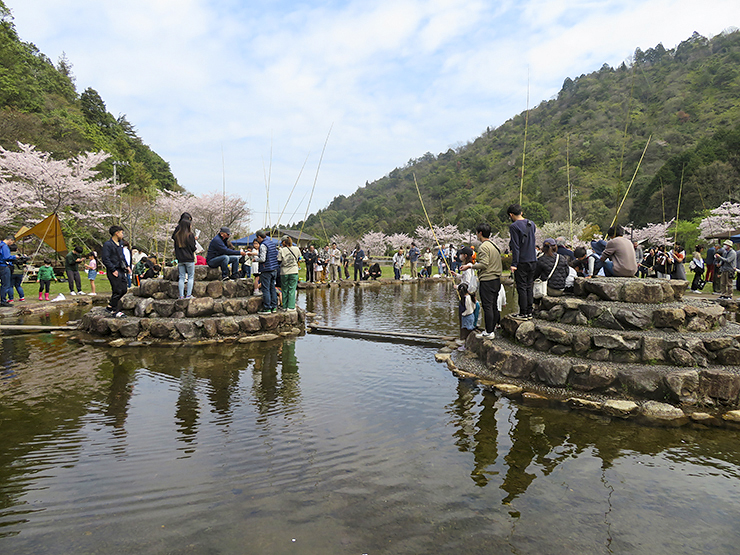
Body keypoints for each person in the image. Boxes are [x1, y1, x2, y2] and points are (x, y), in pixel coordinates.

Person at [460, 223, 502, 338]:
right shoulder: (494, 245)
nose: (476, 235)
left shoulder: (484, 247)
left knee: (487, 306)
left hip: (487, 280)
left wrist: (470, 266)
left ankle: (488, 332)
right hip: (496, 279)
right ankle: (492, 329)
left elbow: (484, 264)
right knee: (493, 305)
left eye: (477, 233)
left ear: (480, 233)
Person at [508, 203, 538, 319]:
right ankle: (530, 312)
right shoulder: (532, 224)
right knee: (529, 286)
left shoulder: (514, 227)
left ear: (511, 215)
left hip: (522, 261)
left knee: (521, 286)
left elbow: (516, 247)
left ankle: (523, 313)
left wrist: (514, 264)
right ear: (521, 212)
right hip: (533, 259)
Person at [101, 225, 129, 318]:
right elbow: (105, 258)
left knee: (124, 289)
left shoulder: (120, 243)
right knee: (117, 289)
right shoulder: (108, 244)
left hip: (121, 268)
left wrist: (127, 266)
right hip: (113, 269)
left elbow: (122, 256)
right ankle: (115, 310)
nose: (122, 234)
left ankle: (110, 306)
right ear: (116, 233)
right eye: (121, 232)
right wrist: (112, 269)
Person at [173, 217, 197, 299]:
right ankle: (189, 295)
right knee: (190, 277)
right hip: (189, 259)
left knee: (181, 277)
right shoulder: (190, 235)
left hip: (180, 259)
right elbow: (193, 248)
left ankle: (181, 295)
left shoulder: (177, 236)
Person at [256, 230, 279, 313]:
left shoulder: (263, 245)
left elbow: (263, 259)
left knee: (265, 289)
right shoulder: (271, 243)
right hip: (274, 269)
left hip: (266, 269)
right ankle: (274, 307)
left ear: (259, 237)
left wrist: (255, 259)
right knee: (272, 288)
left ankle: (267, 308)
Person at [278, 236, 301, 311]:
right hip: (294, 271)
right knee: (292, 289)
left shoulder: (281, 250)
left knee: (284, 289)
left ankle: (284, 306)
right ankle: (291, 306)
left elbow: (279, 260)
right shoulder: (296, 249)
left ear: (284, 242)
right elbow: (299, 258)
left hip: (284, 272)